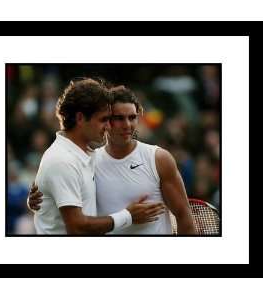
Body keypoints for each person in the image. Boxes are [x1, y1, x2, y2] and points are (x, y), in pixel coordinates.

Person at [29, 83, 196, 235]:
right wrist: (129, 216)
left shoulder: (159, 158)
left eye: (132, 117)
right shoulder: (83, 160)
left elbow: (184, 217)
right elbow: (75, 224)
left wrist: (40, 199)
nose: (127, 125)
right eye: (117, 118)